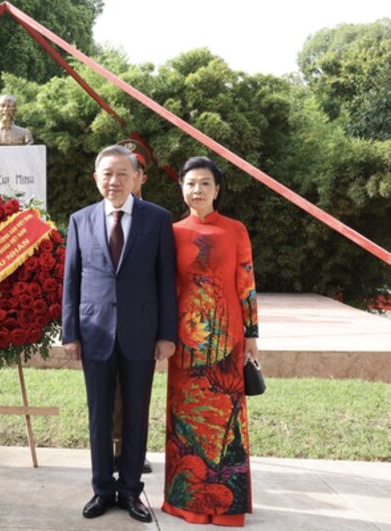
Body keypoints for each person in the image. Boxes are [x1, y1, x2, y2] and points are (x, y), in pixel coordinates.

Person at [62, 145, 177, 523]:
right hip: (94, 332)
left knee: (136, 414)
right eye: (107, 174)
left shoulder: (157, 219)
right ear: (95, 178)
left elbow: (166, 281)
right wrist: (70, 333)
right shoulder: (80, 219)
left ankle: (129, 491)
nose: (114, 181)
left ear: (137, 178)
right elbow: (71, 280)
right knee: (98, 415)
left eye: (122, 174)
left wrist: (167, 334)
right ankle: (101, 489)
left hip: (141, 333)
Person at [162, 156, 259, 527]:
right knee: (186, 419)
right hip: (185, 343)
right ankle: (187, 503)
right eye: (190, 183)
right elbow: (166, 288)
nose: (197, 190)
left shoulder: (235, 230)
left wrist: (251, 334)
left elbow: (246, 284)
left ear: (217, 189)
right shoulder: (171, 232)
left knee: (224, 421)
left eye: (205, 183)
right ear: (182, 189)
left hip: (227, 340)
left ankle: (227, 508)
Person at [112, 138, 152, 474]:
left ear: (140, 177)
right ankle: (114, 446)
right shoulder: (101, 214)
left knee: (136, 394)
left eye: (132, 170)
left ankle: (134, 450)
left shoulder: (155, 219)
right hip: (107, 326)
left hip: (140, 324)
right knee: (111, 394)